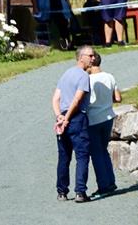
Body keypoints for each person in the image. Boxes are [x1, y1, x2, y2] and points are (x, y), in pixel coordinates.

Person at [52, 46, 95, 202]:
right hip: (76, 118)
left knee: (64, 157)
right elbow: (77, 100)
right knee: (82, 156)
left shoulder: (66, 74)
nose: (93, 58)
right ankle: (80, 192)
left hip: (63, 117)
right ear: (81, 57)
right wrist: (68, 118)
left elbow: (55, 98)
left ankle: (61, 192)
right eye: (90, 55)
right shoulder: (83, 76)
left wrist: (59, 117)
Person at [86, 52, 121, 196]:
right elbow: (117, 97)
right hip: (108, 117)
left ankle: (103, 185)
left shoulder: (88, 80)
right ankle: (110, 181)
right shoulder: (109, 76)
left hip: (93, 118)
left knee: (96, 153)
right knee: (103, 149)